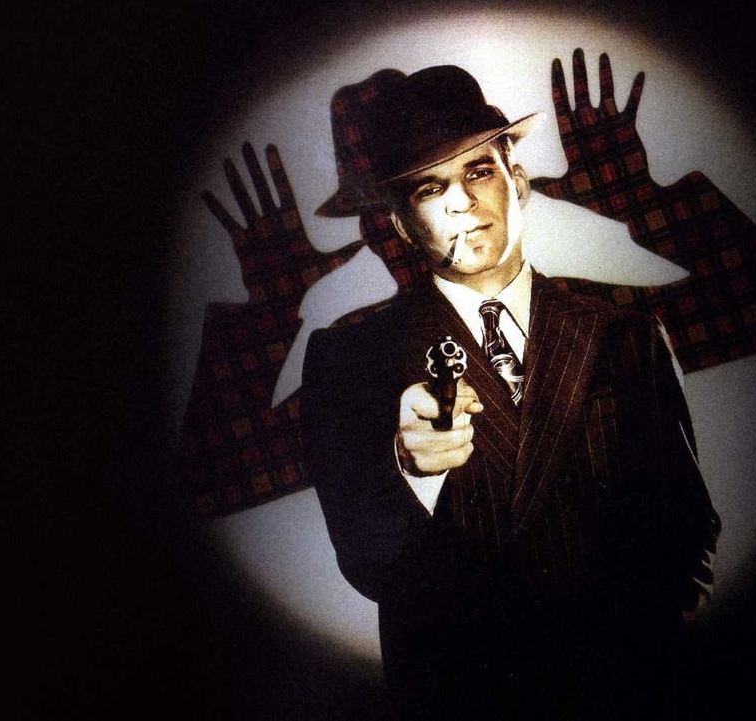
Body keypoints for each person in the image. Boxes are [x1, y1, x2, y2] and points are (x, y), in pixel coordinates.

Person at [303, 65, 720, 720]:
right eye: (429, 188)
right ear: (403, 224)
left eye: (478, 171)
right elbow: (367, 562)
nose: (462, 203)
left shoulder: (623, 335)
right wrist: (411, 469)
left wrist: (642, 667)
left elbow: (686, 532)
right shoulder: (349, 361)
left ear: (517, 181)